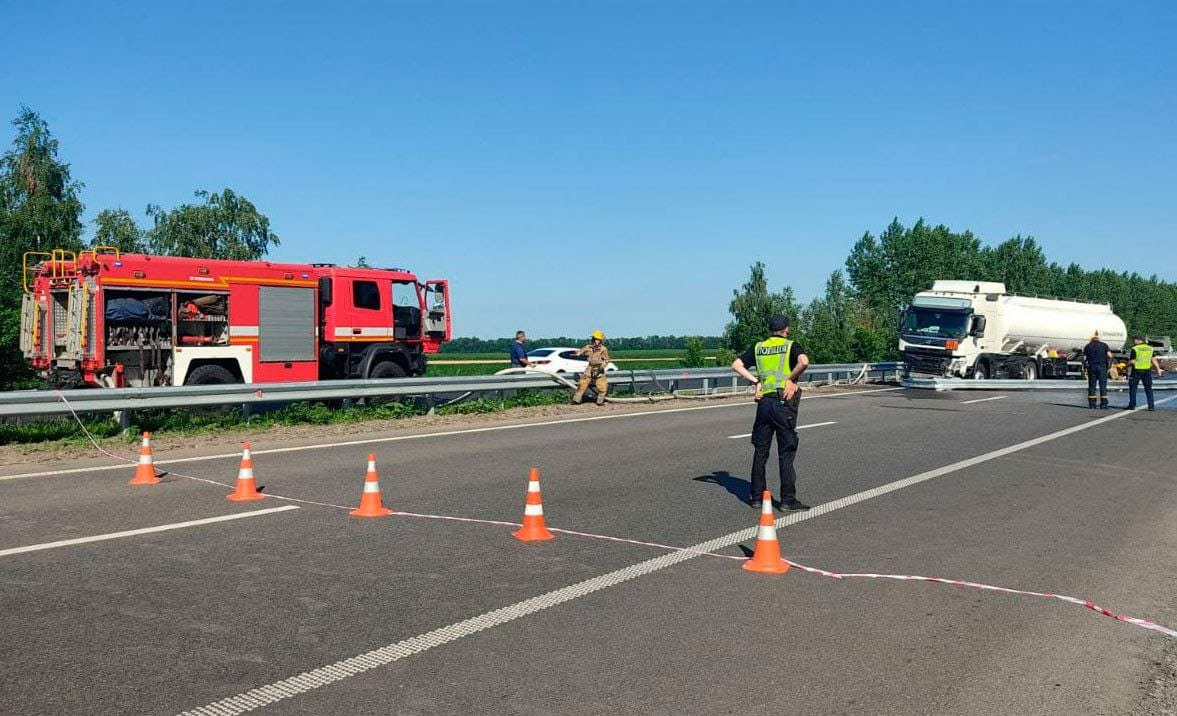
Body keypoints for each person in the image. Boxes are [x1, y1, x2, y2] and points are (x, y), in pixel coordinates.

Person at [731, 315, 811, 511]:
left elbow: (736, 365)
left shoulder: (759, 347)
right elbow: (804, 361)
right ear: (786, 329)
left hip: (764, 404)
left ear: (770, 330)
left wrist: (756, 381)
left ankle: (757, 498)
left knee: (760, 452)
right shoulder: (791, 345)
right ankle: (787, 500)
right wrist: (790, 379)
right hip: (783, 403)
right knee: (786, 452)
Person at [572, 330, 610, 405]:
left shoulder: (603, 349)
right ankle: (576, 400)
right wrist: (578, 353)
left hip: (599, 368)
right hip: (590, 368)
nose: (596, 341)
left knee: (602, 385)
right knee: (582, 384)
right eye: (595, 339)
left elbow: (606, 360)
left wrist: (602, 367)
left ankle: (600, 401)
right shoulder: (588, 347)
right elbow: (581, 351)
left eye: (598, 340)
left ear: (600, 341)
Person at [1126, 336, 1164, 411]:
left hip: (1136, 370)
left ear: (1138, 340)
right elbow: (1153, 360)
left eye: (1134, 340)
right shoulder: (1150, 348)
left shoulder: (1135, 348)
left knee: (1133, 388)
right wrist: (1158, 369)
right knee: (1148, 388)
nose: (1134, 341)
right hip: (1147, 370)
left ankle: (1132, 405)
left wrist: (1127, 365)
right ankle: (1151, 406)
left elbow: (1132, 361)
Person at [1082, 331, 1112, 409]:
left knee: (1092, 385)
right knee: (1103, 385)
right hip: (1102, 367)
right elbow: (1110, 355)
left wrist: (1085, 367)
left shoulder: (1088, 346)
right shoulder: (1104, 345)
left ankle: (1092, 404)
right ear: (1098, 338)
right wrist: (1108, 366)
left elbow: (1084, 358)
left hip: (1092, 367)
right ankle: (1103, 404)